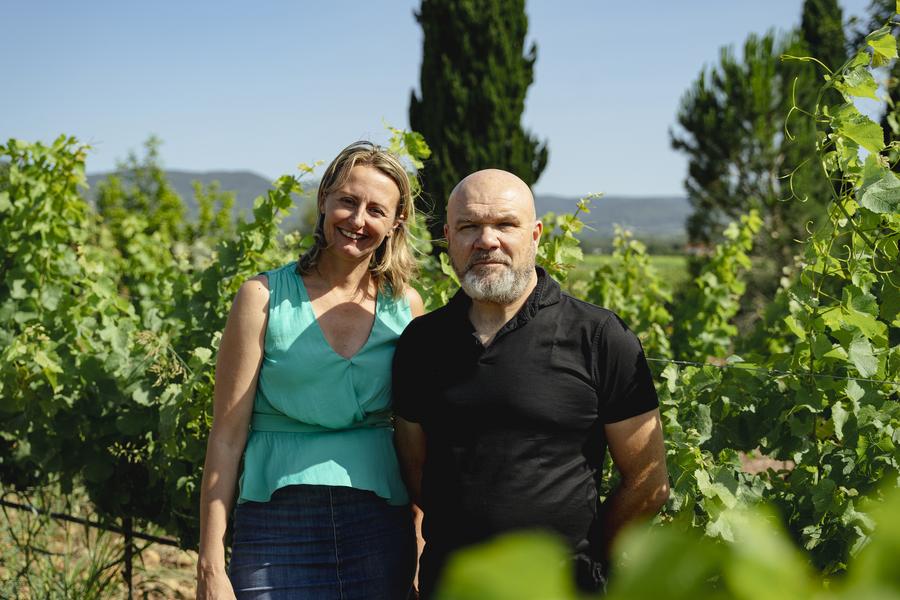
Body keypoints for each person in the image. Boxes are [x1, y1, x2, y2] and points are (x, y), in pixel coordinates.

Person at [392, 169, 670, 597]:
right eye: (469, 227)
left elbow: (648, 482)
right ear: (448, 237)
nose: (486, 240)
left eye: (505, 224)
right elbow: (416, 470)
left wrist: (592, 555)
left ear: (535, 234)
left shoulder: (598, 337)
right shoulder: (421, 343)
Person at [196, 141, 425, 600]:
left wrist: (423, 545)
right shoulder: (261, 298)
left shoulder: (407, 308)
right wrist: (210, 563)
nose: (358, 220)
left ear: (395, 222)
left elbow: (413, 438)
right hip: (276, 528)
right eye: (347, 201)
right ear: (324, 200)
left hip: (379, 527)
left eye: (376, 210)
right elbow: (226, 435)